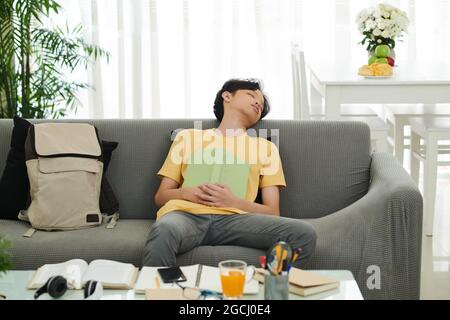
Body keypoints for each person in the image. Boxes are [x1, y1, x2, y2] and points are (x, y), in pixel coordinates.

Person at [142, 78, 316, 268]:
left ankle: (272, 290)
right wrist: (187, 193)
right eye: (251, 95)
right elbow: (161, 197)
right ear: (227, 96)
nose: (258, 102)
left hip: (238, 220)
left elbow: (272, 211)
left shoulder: (266, 148)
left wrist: (233, 202)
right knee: (164, 228)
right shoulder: (187, 137)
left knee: (304, 234)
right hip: (186, 216)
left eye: (261, 103)